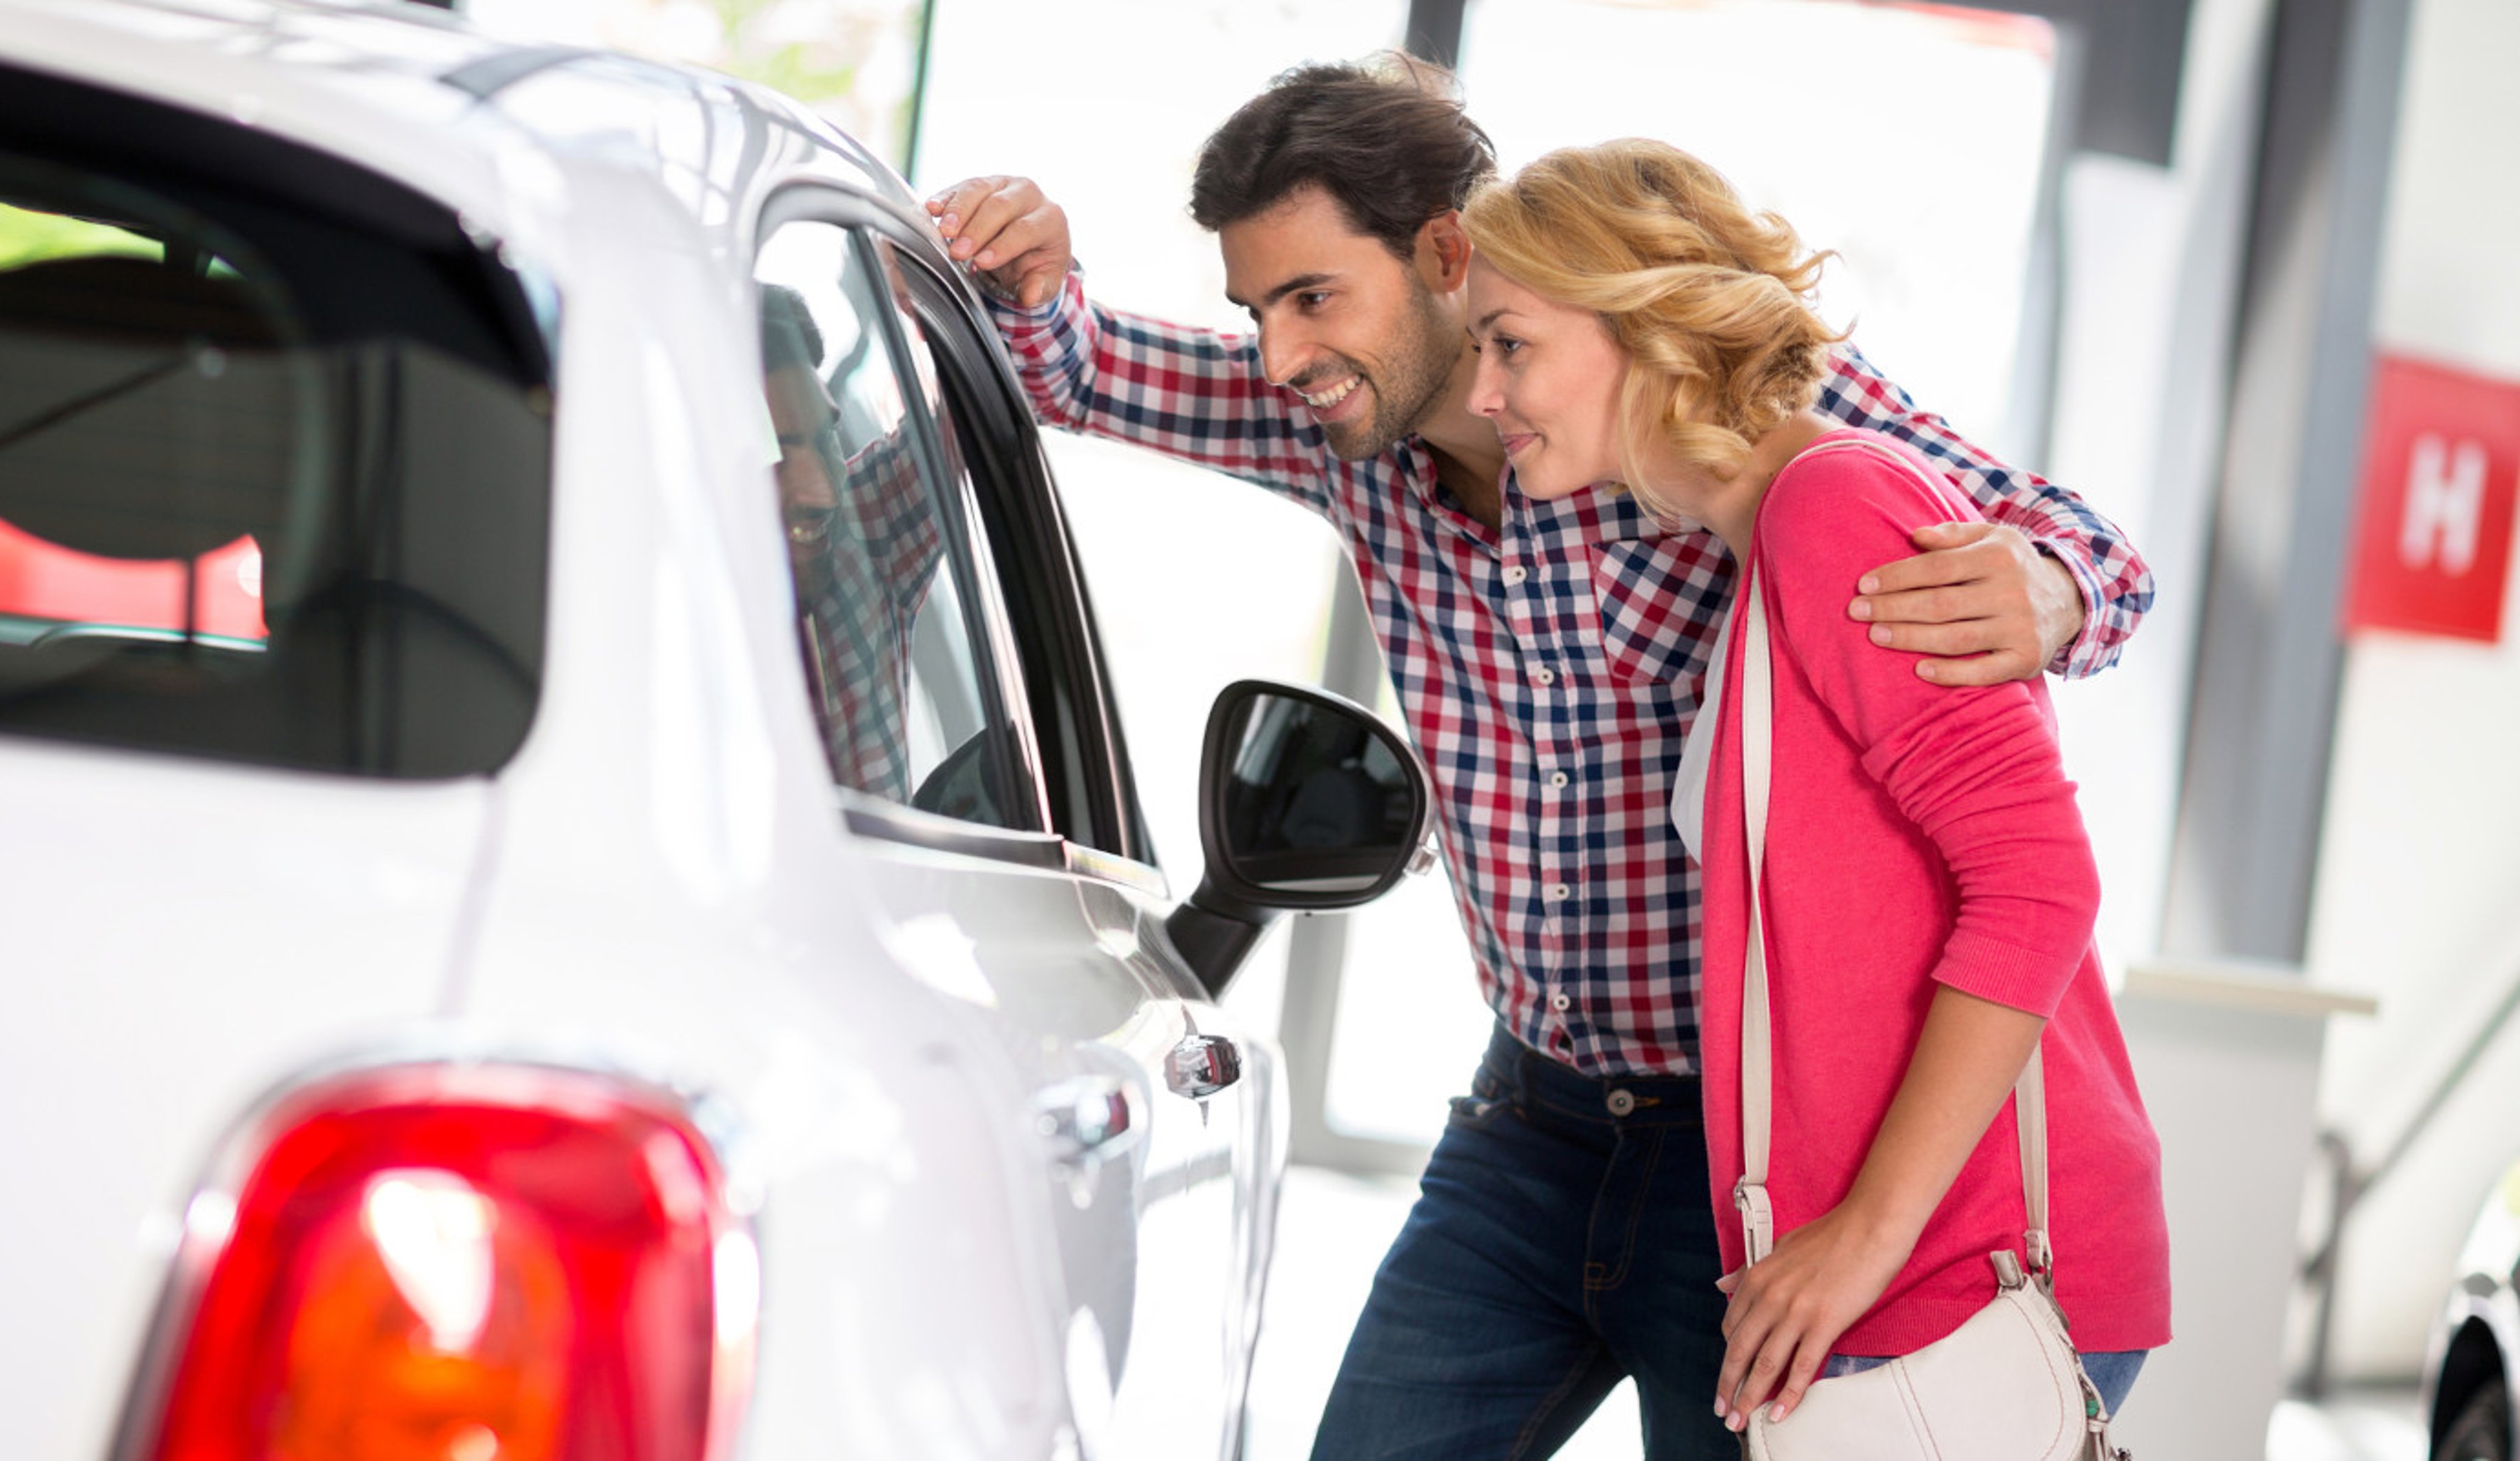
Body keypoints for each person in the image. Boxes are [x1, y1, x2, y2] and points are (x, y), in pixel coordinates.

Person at [929, 55, 2156, 1461]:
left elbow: (2079, 552)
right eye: (1254, 310)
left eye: (1312, 297)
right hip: (1531, 1121)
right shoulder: (1343, 427)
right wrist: (1028, 274)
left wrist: (2054, 590)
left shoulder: (1719, 413)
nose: (1277, 356)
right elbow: (1080, 372)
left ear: (1450, 256)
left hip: (1747, 1153)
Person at [1458, 135, 2170, 1437]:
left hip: (1959, 1258)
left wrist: (1864, 1237)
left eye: (1510, 343)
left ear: (1643, 323)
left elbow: (2038, 881)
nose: (1487, 393)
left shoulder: (1830, 506)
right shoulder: (1767, 537)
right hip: (1901, 1251)